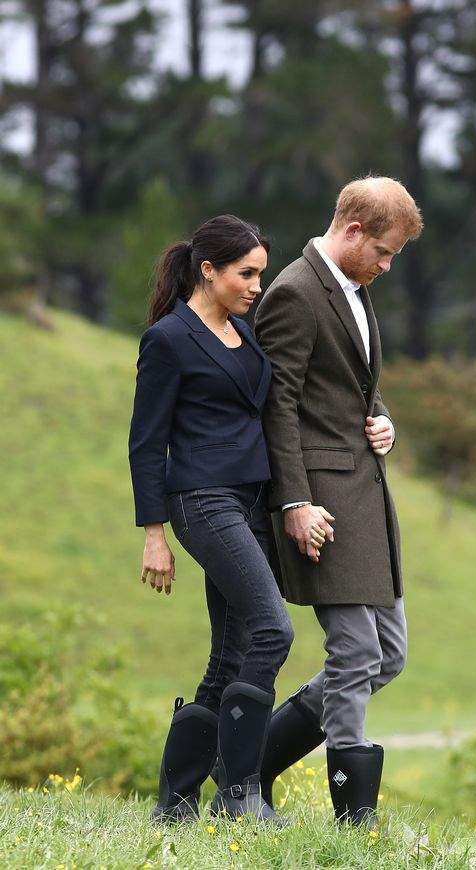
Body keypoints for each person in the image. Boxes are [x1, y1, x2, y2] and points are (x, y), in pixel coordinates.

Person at [253, 177, 423, 827]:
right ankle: (355, 822)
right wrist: (293, 501)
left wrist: (381, 420)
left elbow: (348, 387)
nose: (385, 265)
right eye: (382, 252)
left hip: (364, 498)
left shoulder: (353, 290)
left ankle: (246, 763)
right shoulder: (295, 292)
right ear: (351, 231)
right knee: (354, 654)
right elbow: (279, 404)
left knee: (389, 655)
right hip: (322, 505)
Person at [128, 215, 306, 825]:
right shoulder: (169, 339)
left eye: (261, 272)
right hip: (201, 500)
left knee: (232, 654)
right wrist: (154, 534)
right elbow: (146, 442)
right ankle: (238, 794)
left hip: (250, 500)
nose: (258, 284)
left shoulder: (241, 330)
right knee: (272, 631)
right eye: (246, 273)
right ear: (208, 270)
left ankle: (175, 803)